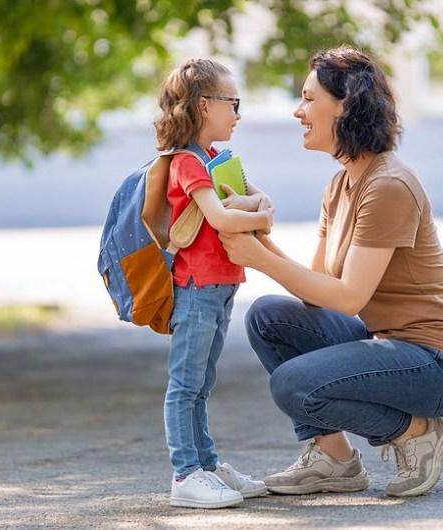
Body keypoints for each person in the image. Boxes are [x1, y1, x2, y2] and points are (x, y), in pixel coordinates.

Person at [219, 46, 443, 498]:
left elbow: (347, 299)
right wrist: (261, 234)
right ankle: (335, 460)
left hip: (430, 360)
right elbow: (318, 292)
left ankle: (414, 430)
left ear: (346, 104)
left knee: (293, 384)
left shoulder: (388, 185)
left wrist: (258, 257)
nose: (297, 111)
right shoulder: (340, 184)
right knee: (268, 317)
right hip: (392, 346)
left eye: (308, 98)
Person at [154, 58, 273, 508]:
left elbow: (262, 198)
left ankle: (207, 464)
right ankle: (186, 474)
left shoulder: (216, 160)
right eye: (233, 104)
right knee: (185, 384)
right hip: (198, 286)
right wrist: (258, 214)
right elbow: (226, 215)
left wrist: (256, 206)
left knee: (202, 382)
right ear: (205, 106)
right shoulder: (187, 162)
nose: (238, 115)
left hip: (221, 287)